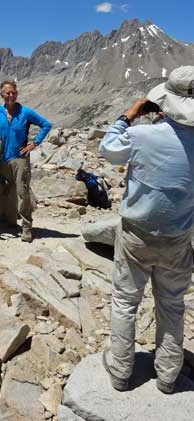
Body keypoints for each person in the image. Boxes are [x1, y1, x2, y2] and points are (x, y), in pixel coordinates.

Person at [99, 66, 194, 394]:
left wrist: (128, 115)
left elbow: (108, 149)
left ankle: (121, 370)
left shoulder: (142, 134)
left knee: (125, 300)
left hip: (136, 235)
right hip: (178, 238)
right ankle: (168, 376)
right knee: (172, 303)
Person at [0, 80, 52, 242]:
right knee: (8, 191)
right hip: (3, 159)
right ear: (2, 95)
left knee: (22, 191)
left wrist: (34, 144)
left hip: (20, 158)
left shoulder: (26, 112)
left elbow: (46, 125)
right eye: (7, 93)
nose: (11, 95)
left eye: (13, 92)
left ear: (17, 93)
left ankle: (26, 228)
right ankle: (10, 222)